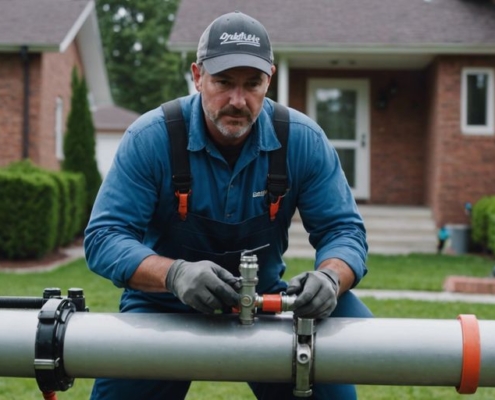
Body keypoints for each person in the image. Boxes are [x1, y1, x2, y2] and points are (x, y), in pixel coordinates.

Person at [85, 10, 373, 400]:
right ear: (197, 75)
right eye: (223, 82)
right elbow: (104, 237)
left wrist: (331, 278)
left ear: (268, 80)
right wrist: (175, 276)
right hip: (162, 304)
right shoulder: (152, 137)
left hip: (269, 302)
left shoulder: (301, 139)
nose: (237, 100)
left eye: (252, 84)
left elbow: (344, 230)